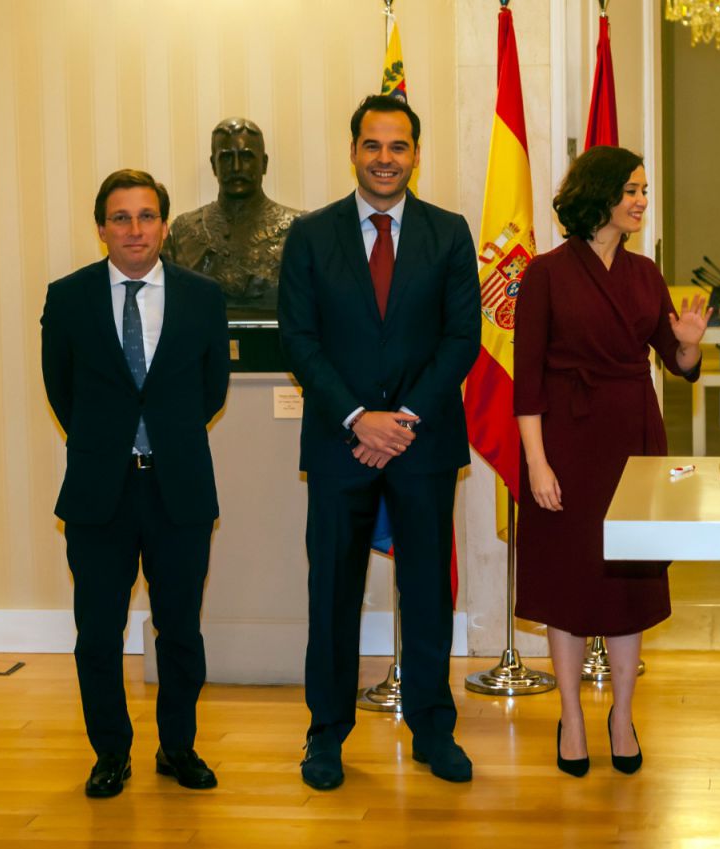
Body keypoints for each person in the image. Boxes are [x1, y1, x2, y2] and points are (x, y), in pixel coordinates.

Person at [278, 94, 481, 789]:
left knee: (427, 592)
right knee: (332, 594)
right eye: (373, 145)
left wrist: (402, 420)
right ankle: (326, 736)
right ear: (353, 151)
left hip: (424, 443)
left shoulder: (449, 233)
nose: (385, 158)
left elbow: (462, 338)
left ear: (416, 154)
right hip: (340, 445)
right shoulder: (311, 235)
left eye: (398, 146)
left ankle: (433, 729)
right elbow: (299, 339)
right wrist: (357, 417)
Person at [513, 145, 709, 777]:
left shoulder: (645, 273)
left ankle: (622, 716)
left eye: (644, 190)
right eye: (632, 190)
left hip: (634, 442)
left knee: (630, 584)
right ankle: (571, 717)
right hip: (565, 446)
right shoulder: (544, 273)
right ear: (599, 193)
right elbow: (526, 382)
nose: (641, 201)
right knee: (568, 584)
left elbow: (676, 364)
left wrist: (687, 346)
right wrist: (536, 464)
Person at [40, 169, 230, 798]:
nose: (134, 229)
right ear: (101, 229)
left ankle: (178, 747)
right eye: (120, 218)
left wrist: (163, 438)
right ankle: (110, 754)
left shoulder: (203, 297)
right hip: (100, 492)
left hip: (180, 490)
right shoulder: (68, 298)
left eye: (147, 216)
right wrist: (110, 443)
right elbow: (61, 391)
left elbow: (211, 391)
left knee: (180, 631)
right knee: (98, 633)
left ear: (164, 226)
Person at [164, 117, 302, 314]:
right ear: (214, 165)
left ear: (264, 163)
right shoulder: (182, 232)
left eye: (246, 157)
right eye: (226, 157)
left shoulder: (299, 230)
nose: (236, 167)